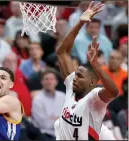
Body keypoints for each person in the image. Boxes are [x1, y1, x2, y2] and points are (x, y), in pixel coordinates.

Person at [54, 1, 118, 140]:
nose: (75, 77)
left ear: (92, 82)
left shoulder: (95, 99)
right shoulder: (72, 85)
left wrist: (96, 65)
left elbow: (114, 91)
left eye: (80, 76)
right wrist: (80, 23)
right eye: (76, 74)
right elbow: (62, 52)